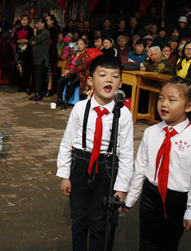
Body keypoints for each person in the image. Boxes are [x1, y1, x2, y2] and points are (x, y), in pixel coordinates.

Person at [57, 55, 134, 251]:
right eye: (102, 75)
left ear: (120, 83)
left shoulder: (123, 113)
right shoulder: (81, 108)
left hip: (107, 167)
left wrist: (121, 188)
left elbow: (125, 153)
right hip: (80, 164)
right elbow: (67, 142)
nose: (109, 80)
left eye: (114, 76)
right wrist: (65, 175)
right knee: (79, 219)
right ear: (90, 80)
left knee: (100, 221)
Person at [124, 77, 191, 250]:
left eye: (172, 100)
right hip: (150, 195)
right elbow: (140, 166)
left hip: (177, 199)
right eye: (161, 98)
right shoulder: (151, 132)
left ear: (189, 106)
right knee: (147, 242)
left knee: (169, 243)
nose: (163, 104)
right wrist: (131, 197)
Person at [55, 38, 91, 110]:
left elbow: (81, 68)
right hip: (71, 73)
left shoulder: (86, 55)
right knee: (59, 81)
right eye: (78, 44)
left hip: (81, 74)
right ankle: (59, 99)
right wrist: (66, 70)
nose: (79, 46)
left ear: (85, 45)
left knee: (73, 83)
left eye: (81, 44)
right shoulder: (74, 53)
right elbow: (68, 62)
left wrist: (69, 71)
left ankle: (66, 101)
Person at [29, 18, 50, 101]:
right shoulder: (38, 32)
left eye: (38, 22)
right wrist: (36, 38)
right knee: (37, 76)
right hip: (36, 57)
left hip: (42, 58)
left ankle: (38, 94)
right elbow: (30, 42)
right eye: (36, 22)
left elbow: (38, 39)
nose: (36, 24)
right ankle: (39, 93)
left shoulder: (45, 32)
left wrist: (35, 34)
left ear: (43, 24)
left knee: (39, 76)